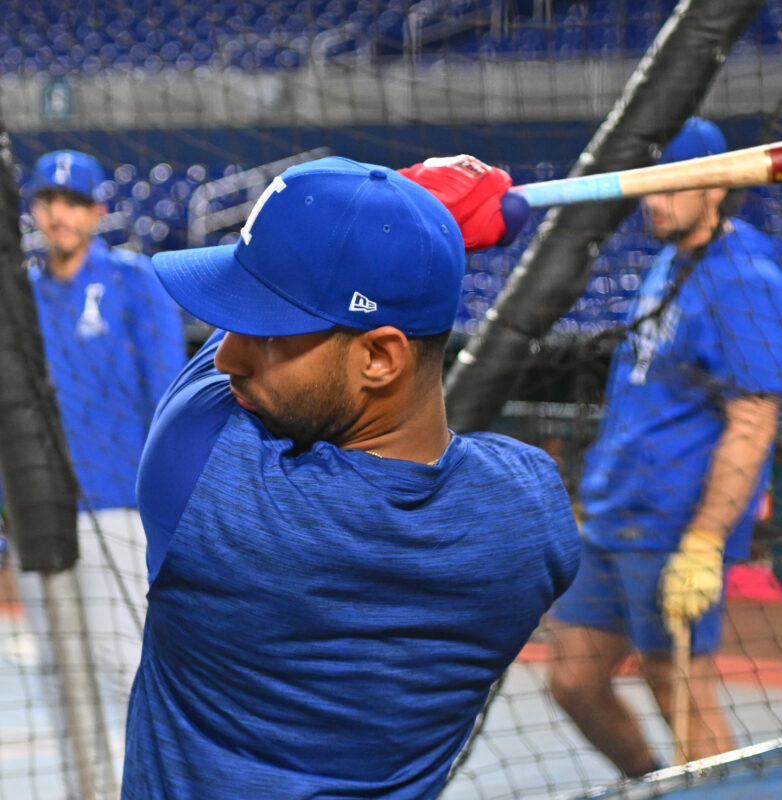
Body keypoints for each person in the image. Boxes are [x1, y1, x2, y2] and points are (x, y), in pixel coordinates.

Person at [121, 154, 578, 799]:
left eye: (271, 333)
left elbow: (212, 377)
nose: (229, 353)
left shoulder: (197, 470)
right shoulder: (532, 520)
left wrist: (430, 210)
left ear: (381, 358)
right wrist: (419, 239)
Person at [547, 118, 782, 775]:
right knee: (574, 681)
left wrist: (706, 541)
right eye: (647, 187)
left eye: (670, 186)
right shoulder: (669, 260)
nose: (651, 201)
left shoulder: (748, 278)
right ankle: (652, 787)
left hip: (672, 524)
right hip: (613, 517)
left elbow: (753, 423)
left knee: (675, 684)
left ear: (715, 186)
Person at [11, 151, 185, 744]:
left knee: (130, 672)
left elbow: (169, 401)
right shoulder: (20, 300)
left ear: (97, 211)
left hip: (121, 508)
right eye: (48, 201)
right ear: (33, 209)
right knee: (62, 678)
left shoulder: (135, 282)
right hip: (40, 513)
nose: (58, 214)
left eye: (73, 202)